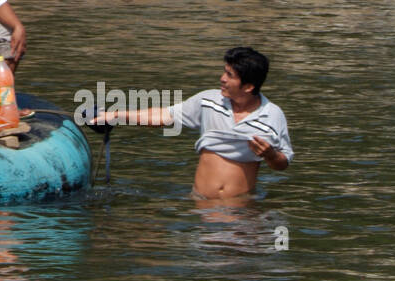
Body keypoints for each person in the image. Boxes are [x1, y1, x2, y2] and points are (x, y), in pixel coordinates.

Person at [90, 47, 293, 199]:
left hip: (241, 209)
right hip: (201, 204)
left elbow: (282, 164)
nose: (221, 78)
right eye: (224, 71)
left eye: (229, 75)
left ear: (248, 86)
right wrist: (114, 115)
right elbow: (164, 116)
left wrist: (270, 155)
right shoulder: (208, 101)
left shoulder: (272, 115)